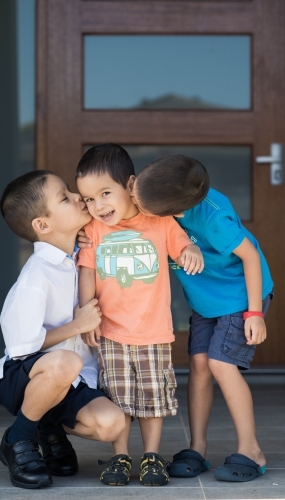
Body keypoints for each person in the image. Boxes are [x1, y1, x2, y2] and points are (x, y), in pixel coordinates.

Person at [129, 154, 274, 482]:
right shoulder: (157, 197)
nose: (133, 202)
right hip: (206, 301)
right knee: (198, 365)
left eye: (139, 202)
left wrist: (254, 313)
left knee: (221, 363)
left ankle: (252, 450)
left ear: (172, 213)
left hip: (239, 296)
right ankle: (198, 448)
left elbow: (250, 258)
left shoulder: (213, 218)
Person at [0, 170, 126, 490]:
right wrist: (77, 326)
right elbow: (23, 346)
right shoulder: (37, 274)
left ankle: (46, 426)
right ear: (43, 225)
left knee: (112, 424)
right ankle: (19, 438)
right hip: (23, 375)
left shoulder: (82, 253)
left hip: (72, 380)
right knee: (65, 360)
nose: (78, 197)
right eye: (65, 197)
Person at [75, 144, 204, 487]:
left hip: (153, 330)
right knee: (118, 397)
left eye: (105, 194)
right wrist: (86, 313)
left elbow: (182, 245)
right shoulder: (93, 230)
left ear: (130, 185)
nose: (98, 206)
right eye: (89, 199)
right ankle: (120, 456)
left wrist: (191, 250)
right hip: (111, 330)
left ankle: (151, 456)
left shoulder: (159, 220)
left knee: (152, 397)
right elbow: (86, 272)